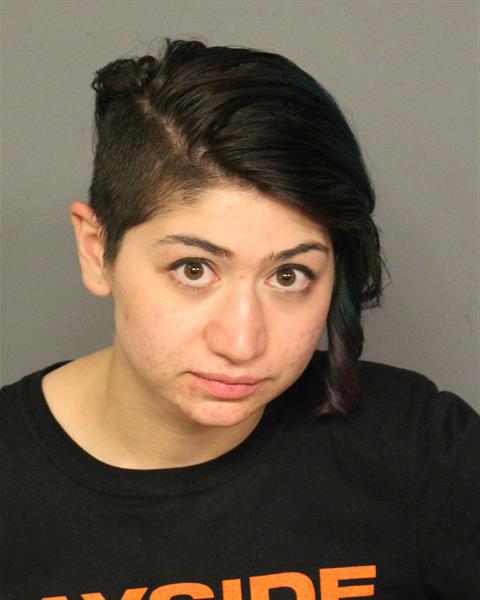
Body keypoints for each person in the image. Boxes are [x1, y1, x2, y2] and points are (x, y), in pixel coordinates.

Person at [1, 38, 478, 600]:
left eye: (289, 276)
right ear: (94, 250)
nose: (242, 342)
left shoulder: (421, 448)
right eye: (194, 269)